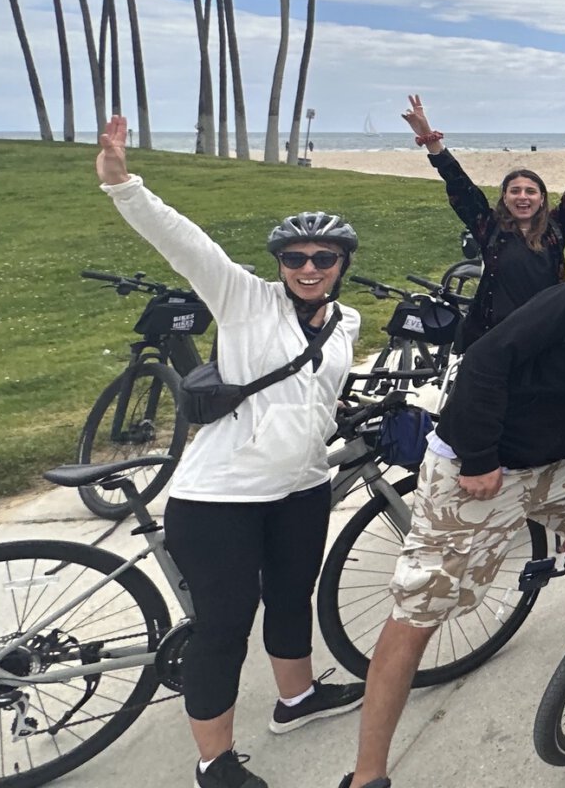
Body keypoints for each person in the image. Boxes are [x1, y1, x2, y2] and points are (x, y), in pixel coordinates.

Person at [341, 244, 565, 788]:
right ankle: (367, 774)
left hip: (556, 464)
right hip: (481, 463)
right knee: (419, 607)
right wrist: (481, 457)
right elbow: (488, 357)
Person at [95, 116, 364, 788]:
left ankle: (296, 699)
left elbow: (319, 396)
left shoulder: (348, 322)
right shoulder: (244, 299)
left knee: (293, 596)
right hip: (220, 498)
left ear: (341, 266)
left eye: (323, 258)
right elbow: (187, 245)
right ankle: (213, 762)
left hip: (299, 487)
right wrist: (124, 185)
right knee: (223, 628)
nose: (308, 269)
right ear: (279, 264)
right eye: (295, 258)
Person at [401, 95, 565, 347]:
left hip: (545, 331)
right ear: (505, 198)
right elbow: (459, 184)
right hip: (494, 335)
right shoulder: (489, 227)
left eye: (530, 191)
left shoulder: (555, 227)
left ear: (541, 199)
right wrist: (429, 136)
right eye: (514, 191)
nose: (523, 197)